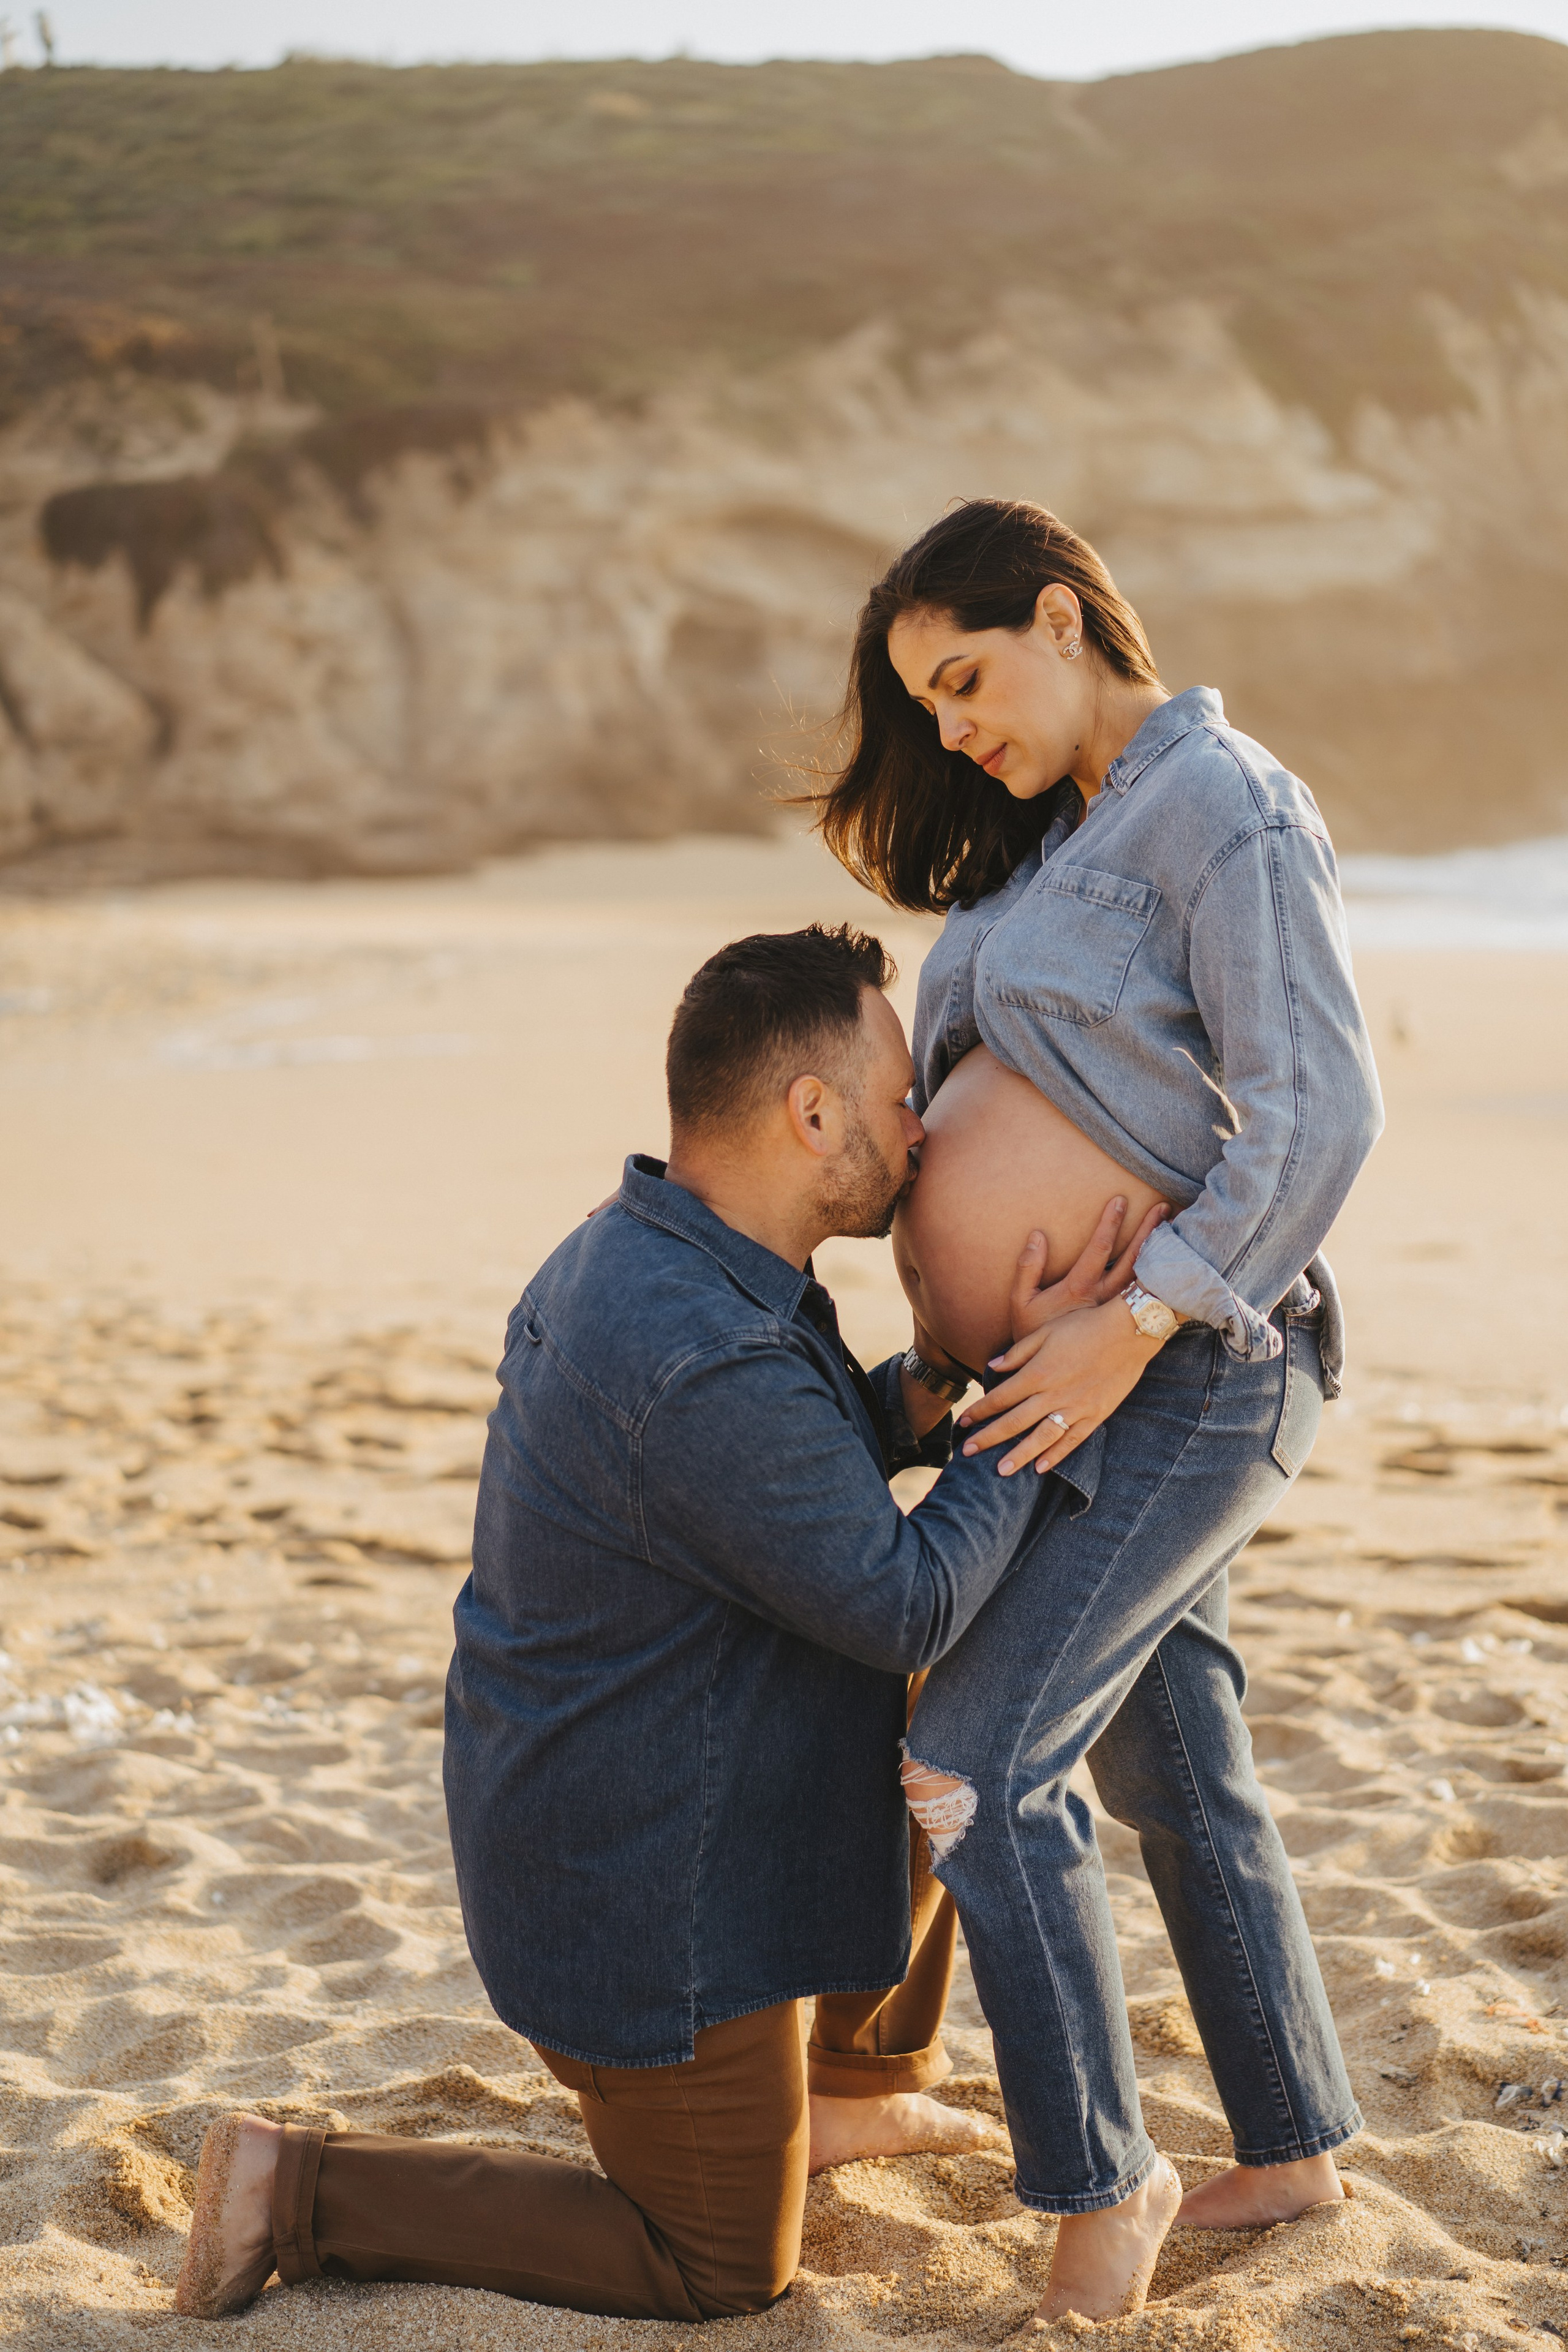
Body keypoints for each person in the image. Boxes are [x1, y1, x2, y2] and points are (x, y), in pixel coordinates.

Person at [174, 921, 1159, 2323]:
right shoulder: (701, 1353)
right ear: (808, 1114)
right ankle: (298, 2187)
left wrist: (925, 1394)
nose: (923, 1133)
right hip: (638, 1892)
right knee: (712, 2264)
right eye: (898, 1102)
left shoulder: (660, 1256)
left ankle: (838, 2089)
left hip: (608, 1785)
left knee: (961, 1708)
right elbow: (899, 1598)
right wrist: (1027, 1407)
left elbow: (769, 1479)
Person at [816, 499, 1385, 2324]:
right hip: (1065, 1387)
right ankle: (1292, 2140)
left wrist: (1130, 1321)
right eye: (928, 705)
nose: (954, 726)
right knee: (1168, 1755)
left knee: (976, 1763)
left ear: (1066, 615)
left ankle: (1097, 2185)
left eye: (967, 677)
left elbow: (1320, 1115)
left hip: (1194, 1374)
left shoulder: (1224, 806)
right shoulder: (1045, 848)